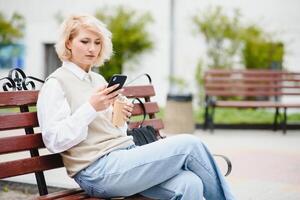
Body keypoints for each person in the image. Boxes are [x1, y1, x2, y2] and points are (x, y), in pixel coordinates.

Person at [37, 14, 235, 200]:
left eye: (97, 43)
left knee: (189, 183)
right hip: (96, 170)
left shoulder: (96, 79)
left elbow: (111, 132)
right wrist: (91, 107)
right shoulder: (56, 83)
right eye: (85, 41)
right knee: (190, 145)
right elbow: (54, 141)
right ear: (68, 43)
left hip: (124, 158)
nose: (92, 49)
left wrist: (119, 116)